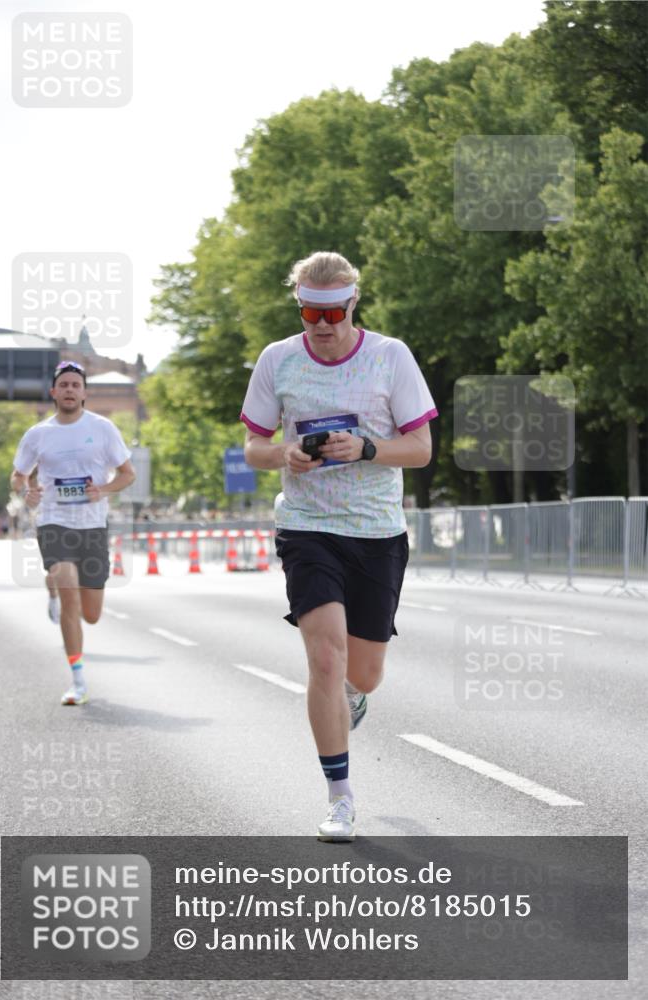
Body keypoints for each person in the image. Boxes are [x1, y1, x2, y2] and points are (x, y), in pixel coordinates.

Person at [241, 251, 437, 841]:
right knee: (324, 658)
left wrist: (368, 449)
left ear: (353, 304)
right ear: (299, 307)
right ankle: (340, 797)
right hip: (307, 526)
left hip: (376, 530)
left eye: (332, 312)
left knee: (365, 672)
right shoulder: (277, 360)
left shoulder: (389, 356)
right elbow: (253, 447)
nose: (321, 324)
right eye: (309, 311)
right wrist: (284, 454)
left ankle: (352, 695)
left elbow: (422, 447)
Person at [11, 360, 135, 706]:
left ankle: (53, 589)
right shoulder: (37, 434)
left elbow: (128, 474)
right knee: (70, 592)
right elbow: (18, 475)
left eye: (75, 385)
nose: (69, 390)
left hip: (92, 525)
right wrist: (27, 490)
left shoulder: (103, 428)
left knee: (91, 613)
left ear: (84, 393)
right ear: (54, 392)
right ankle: (78, 680)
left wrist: (104, 490)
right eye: (63, 385)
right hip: (54, 521)